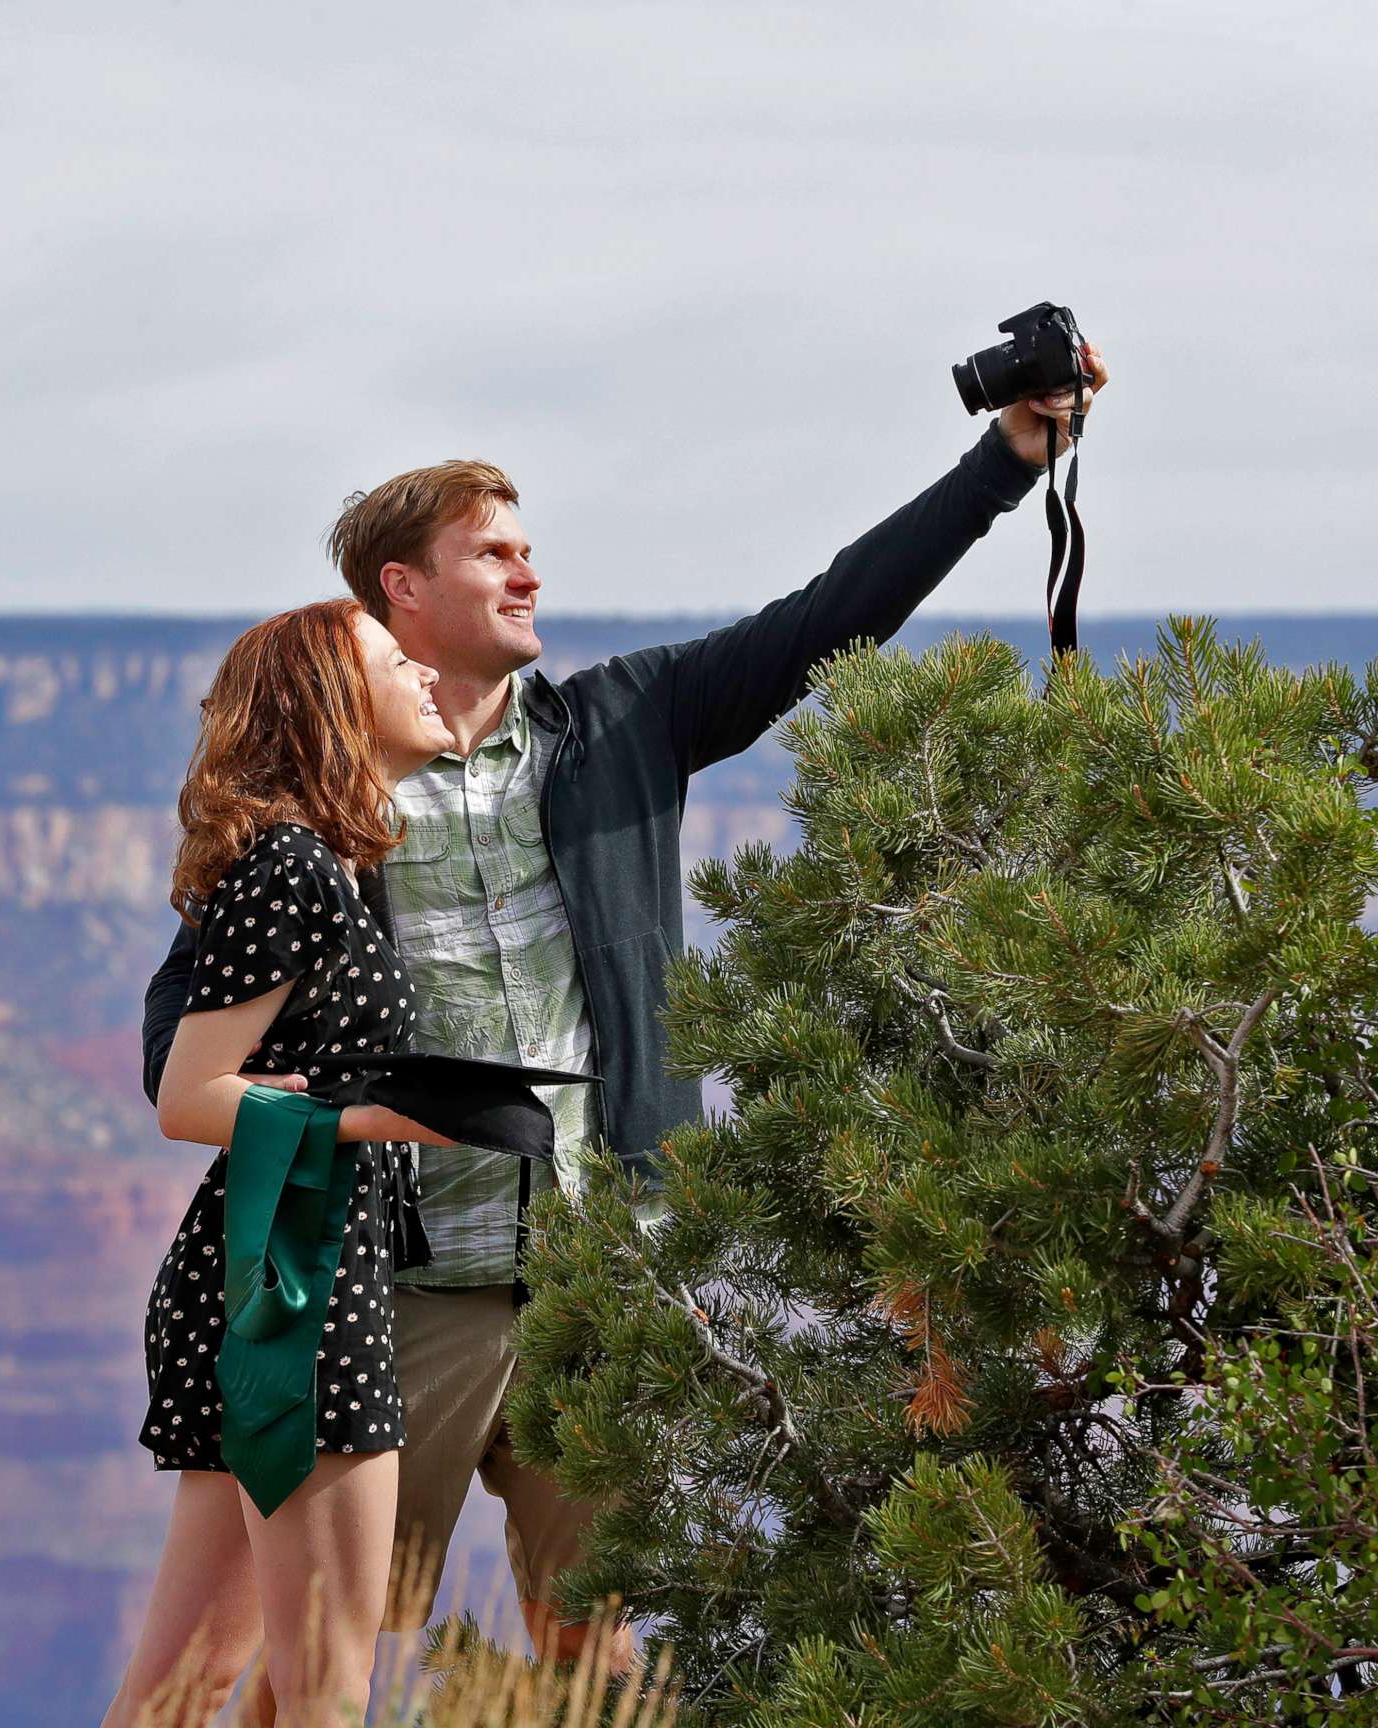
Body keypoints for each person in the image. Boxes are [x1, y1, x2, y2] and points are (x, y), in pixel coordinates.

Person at [141, 347, 1111, 1670]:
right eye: (492, 553)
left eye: (528, 548)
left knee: (594, 1648)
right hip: (396, 1290)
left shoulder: (628, 721)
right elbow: (185, 1046)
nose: (529, 573)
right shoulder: (325, 798)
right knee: (313, 1658)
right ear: (402, 590)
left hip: (599, 1283)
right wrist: (359, 1122)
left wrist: (1007, 462)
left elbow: (837, 612)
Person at [103, 598, 462, 1728]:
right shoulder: (295, 869)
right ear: (331, 705)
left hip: (290, 1269)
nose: (428, 675)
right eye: (399, 661)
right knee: (324, 1686)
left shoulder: (338, 867)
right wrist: (383, 1118)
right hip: (294, 1284)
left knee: (185, 1689)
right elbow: (189, 1096)